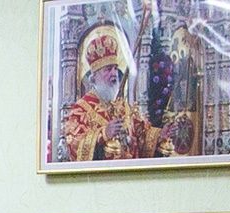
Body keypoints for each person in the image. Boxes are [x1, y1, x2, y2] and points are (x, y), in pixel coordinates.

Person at [61, 25, 188, 163]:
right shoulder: (81, 110)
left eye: (115, 68)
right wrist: (103, 134)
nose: (114, 74)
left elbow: (142, 135)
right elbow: (74, 143)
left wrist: (160, 135)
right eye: (108, 69)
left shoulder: (123, 106)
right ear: (95, 76)